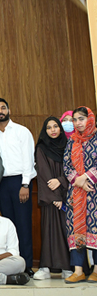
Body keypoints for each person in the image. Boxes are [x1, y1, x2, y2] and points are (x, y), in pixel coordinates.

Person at [0, 98, 37, 276]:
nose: (0, 111)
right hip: (1, 184)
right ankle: (12, 266)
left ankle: (27, 265)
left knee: (23, 225)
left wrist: (25, 184)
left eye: (3, 108)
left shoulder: (22, 131)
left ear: (9, 109)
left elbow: (28, 160)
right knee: (8, 227)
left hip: (20, 182)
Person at [33, 116, 71, 280]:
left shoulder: (68, 146)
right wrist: (55, 197)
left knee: (67, 231)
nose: (53, 130)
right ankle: (45, 268)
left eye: (56, 126)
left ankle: (68, 268)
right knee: (49, 232)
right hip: (51, 199)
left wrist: (62, 183)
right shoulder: (41, 148)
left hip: (68, 195)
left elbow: (72, 168)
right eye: (49, 127)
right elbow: (43, 173)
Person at [63, 107, 97, 283]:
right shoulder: (73, 141)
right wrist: (78, 180)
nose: (78, 123)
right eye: (75, 120)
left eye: (81, 119)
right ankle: (78, 271)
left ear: (90, 119)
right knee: (76, 230)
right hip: (76, 193)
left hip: (94, 191)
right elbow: (66, 165)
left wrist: (86, 177)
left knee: (95, 229)